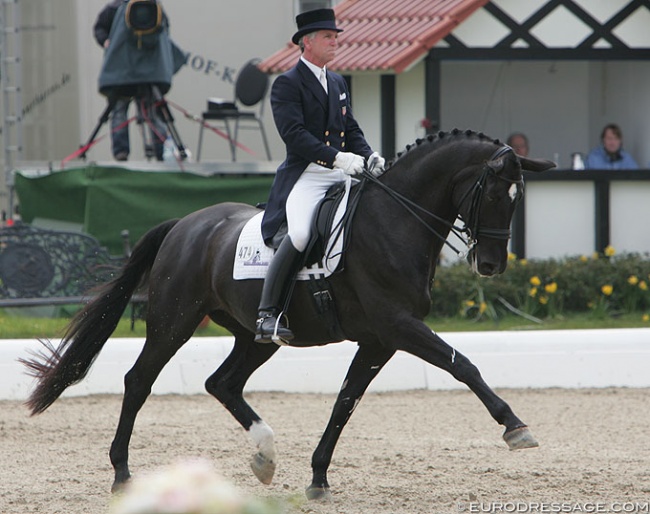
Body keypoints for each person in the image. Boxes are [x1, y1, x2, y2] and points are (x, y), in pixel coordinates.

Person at [255, 8, 385, 344]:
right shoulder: (287, 84)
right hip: (307, 176)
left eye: (335, 37)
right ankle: (267, 315)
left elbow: (350, 128)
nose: (335, 42)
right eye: (329, 37)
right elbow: (294, 135)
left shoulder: (337, 81)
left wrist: (368, 155)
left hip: (341, 173)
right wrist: (338, 158)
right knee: (299, 235)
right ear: (307, 42)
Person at [93, 0, 169, 161]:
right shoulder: (115, 9)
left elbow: (163, 31)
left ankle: (159, 151)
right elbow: (99, 28)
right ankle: (123, 153)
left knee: (150, 113)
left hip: (140, 72)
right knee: (121, 111)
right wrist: (106, 41)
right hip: (127, 72)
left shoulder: (152, 8)